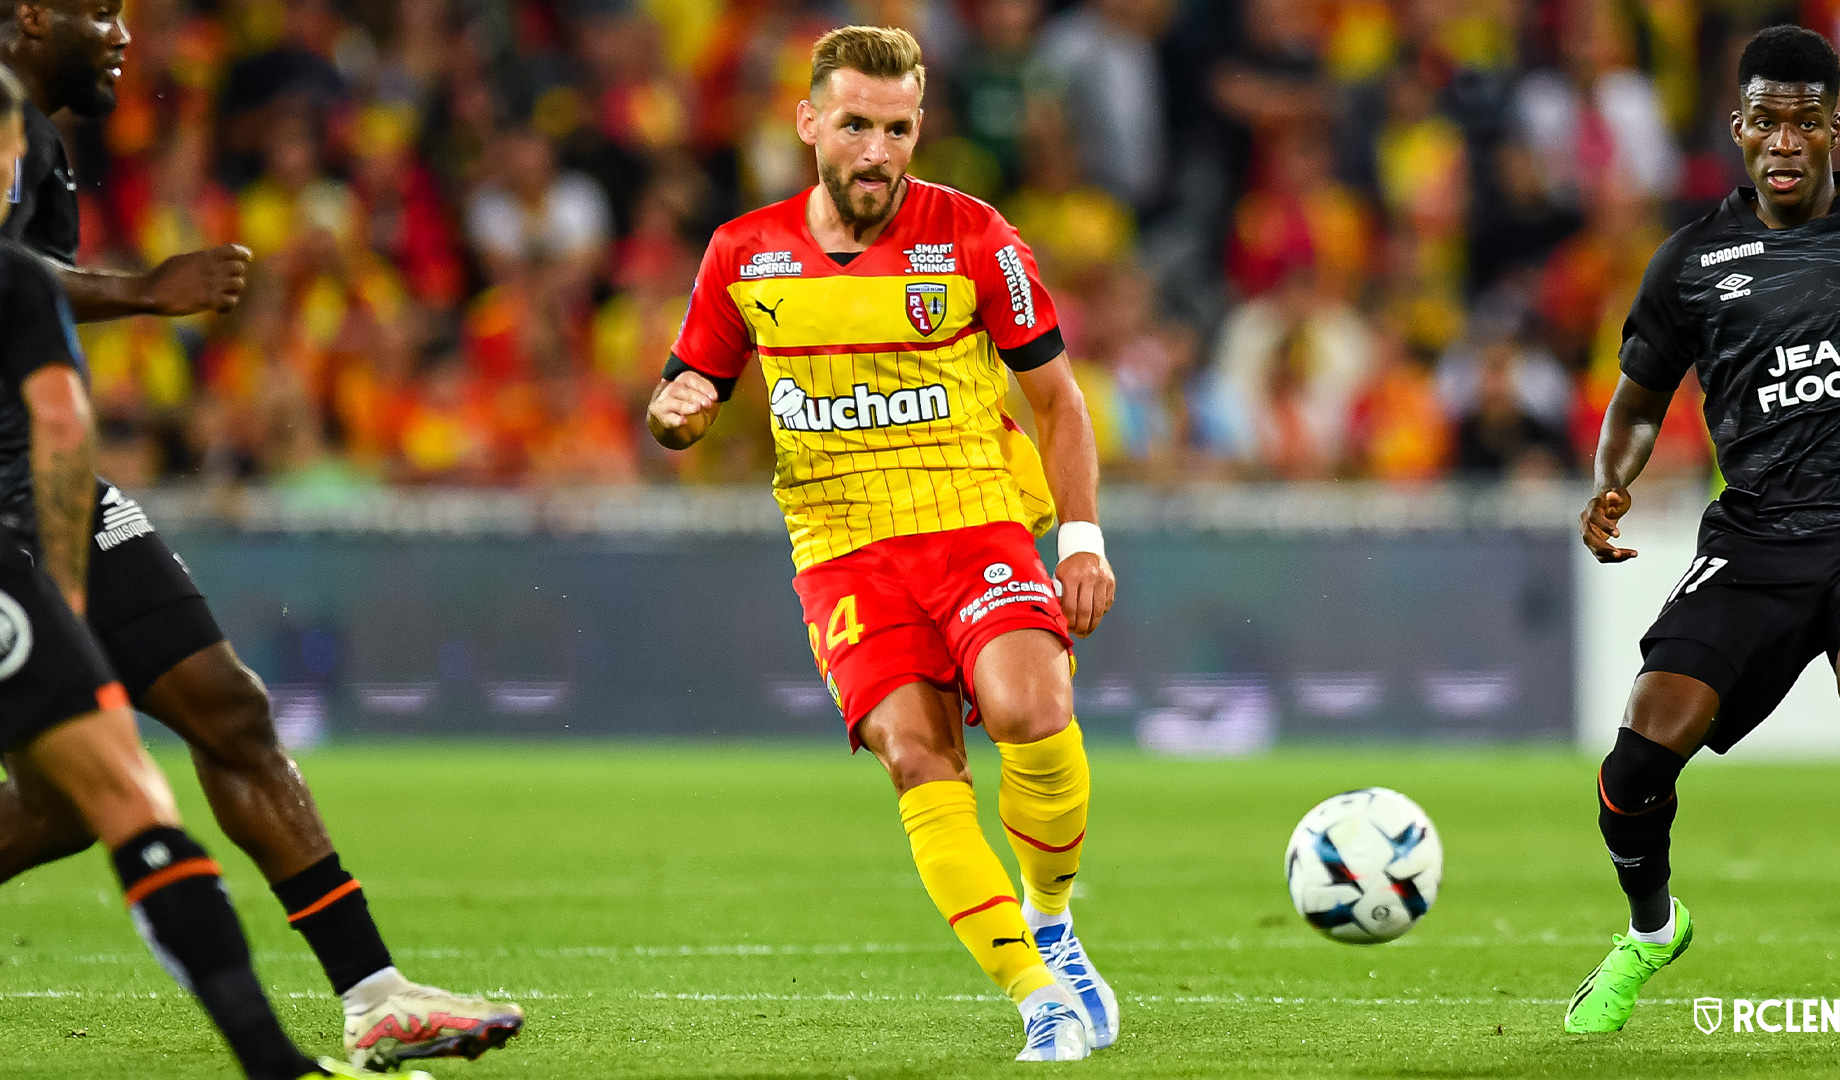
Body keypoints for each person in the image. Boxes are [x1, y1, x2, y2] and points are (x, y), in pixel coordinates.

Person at [0, 2, 522, 1069]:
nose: (121, 34)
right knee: (65, 798)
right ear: (31, 14)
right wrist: (144, 293)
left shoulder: (33, 131)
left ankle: (376, 997)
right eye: (100, 9)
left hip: (45, 477)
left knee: (225, 711)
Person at [647, 25, 1119, 1064]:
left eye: (898, 128)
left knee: (1031, 708)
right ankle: (1036, 994)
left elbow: (1058, 400)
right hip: (842, 553)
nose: (877, 151)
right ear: (809, 121)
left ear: (919, 129)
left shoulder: (978, 237)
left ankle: (1052, 916)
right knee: (918, 756)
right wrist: (675, 416)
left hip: (972, 521)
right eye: (855, 124)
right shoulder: (742, 252)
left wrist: (1080, 537)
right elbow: (688, 394)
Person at [1569, 25, 1840, 1039]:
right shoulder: (1691, 263)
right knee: (1640, 751)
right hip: (1758, 536)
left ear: (1834, 129)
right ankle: (1650, 930)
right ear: (1739, 128)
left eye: (1805, 122)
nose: (1784, 141)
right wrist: (1611, 483)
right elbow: (1638, 400)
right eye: (1765, 121)